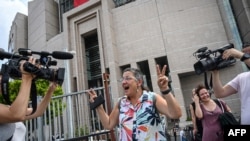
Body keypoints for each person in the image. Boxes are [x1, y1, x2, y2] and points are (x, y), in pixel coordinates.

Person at [88, 64, 182, 140]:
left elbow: (176, 114)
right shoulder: (121, 103)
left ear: (139, 82)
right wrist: (98, 106)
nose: (123, 82)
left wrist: (165, 89)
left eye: (128, 78)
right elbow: (109, 124)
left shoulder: (152, 98)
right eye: (123, 79)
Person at [0, 57, 58, 141]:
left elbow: (37, 112)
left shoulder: (5, 108)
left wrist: (51, 90)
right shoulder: (11, 112)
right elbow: (16, 115)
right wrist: (27, 77)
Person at [212, 45, 250, 124]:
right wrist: (215, 72)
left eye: (249, 53)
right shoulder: (242, 77)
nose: (247, 55)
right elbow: (219, 93)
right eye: (245, 52)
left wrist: (240, 55)